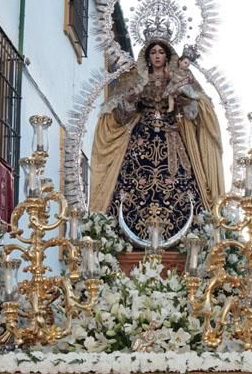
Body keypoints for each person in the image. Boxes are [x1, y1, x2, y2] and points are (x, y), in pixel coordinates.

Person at [89, 38, 224, 238]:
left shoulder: (180, 77)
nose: (157, 56)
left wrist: (183, 99)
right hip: (140, 142)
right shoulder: (134, 79)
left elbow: (197, 111)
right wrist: (131, 100)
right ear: (148, 57)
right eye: (153, 52)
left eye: (161, 52)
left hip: (173, 140)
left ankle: (189, 238)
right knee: (131, 185)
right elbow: (119, 114)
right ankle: (126, 238)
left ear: (167, 55)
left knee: (181, 184)